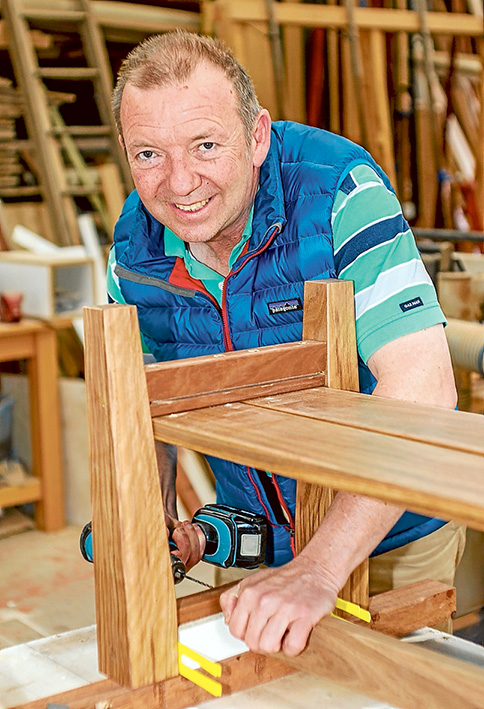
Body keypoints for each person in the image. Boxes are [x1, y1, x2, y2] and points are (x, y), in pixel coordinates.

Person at [107, 29, 464, 657]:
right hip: (257, 553)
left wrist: (320, 570)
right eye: (148, 155)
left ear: (257, 137)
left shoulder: (338, 194)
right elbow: (143, 392)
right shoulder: (134, 249)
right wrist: (152, 515)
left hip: (386, 540)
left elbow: (426, 390)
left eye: (206, 145)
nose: (179, 182)